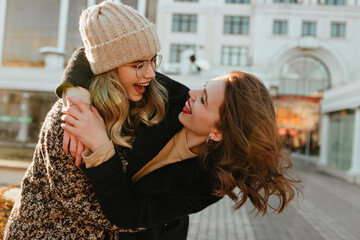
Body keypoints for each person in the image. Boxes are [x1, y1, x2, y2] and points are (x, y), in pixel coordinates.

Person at [4, 1, 189, 239]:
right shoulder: (71, 120)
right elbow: (98, 210)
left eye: (153, 60)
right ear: (108, 68)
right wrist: (171, 209)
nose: (151, 73)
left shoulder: (137, 97)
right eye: (138, 65)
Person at [61, 71, 301, 238]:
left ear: (218, 133)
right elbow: (92, 56)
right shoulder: (170, 95)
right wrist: (76, 99)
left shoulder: (211, 183)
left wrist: (101, 147)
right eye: (204, 86)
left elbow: (127, 214)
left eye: (204, 99)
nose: (193, 93)